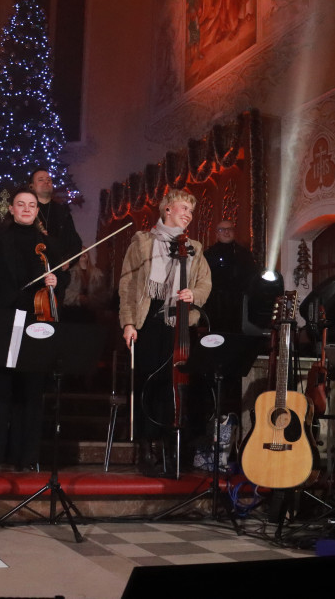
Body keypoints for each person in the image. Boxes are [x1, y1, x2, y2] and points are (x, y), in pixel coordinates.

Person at [119, 188, 212, 476]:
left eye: (191, 211)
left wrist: (192, 295)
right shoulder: (143, 242)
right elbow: (128, 285)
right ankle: (146, 445)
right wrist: (129, 323)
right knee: (149, 381)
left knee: (176, 383)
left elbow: (205, 284)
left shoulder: (194, 247)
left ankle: (171, 445)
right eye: (183, 208)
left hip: (179, 322)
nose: (188, 214)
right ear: (167, 209)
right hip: (149, 320)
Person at [0, 188, 59, 471]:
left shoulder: (46, 244)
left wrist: (53, 281)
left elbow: (64, 276)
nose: (26, 209)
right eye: (20, 204)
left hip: (36, 319)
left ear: (37, 211)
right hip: (4, 318)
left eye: (32, 205)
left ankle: (25, 456)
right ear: (11, 209)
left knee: (30, 388)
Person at [30, 168, 82, 301]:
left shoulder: (62, 211)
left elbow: (76, 243)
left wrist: (68, 260)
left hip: (57, 275)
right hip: (32, 274)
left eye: (49, 180)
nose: (46, 182)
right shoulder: (27, 209)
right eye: (41, 180)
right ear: (32, 186)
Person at [202, 219, 257, 333]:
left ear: (234, 232)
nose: (226, 232)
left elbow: (252, 278)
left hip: (238, 304)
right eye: (222, 229)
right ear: (217, 233)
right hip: (214, 304)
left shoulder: (244, 254)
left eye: (229, 229)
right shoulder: (208, 254)